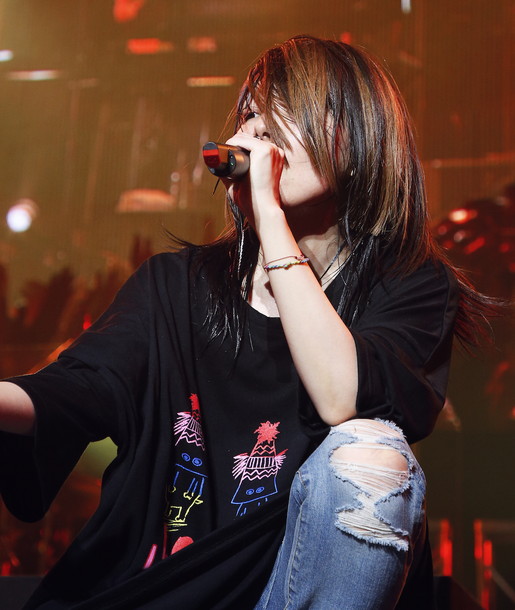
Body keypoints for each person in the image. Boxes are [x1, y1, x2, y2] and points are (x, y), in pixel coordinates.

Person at [0, 35, 495, 609]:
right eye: (252, 117)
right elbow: (72, 390)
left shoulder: (409, 285)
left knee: (372, 452)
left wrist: (271, 221)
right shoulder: (176, 286)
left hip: (289, 592)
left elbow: (342, 398)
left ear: (358, 137)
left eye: (286, 116)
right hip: (161, 591)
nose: (257, 134)